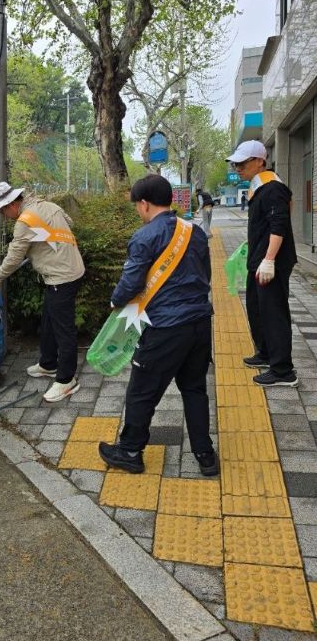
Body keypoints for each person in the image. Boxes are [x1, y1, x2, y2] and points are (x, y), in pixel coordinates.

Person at [98, 174, 218, 477]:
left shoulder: (144, 237)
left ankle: (129, 452)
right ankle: (205, 456)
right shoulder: (196, 232)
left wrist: (115, 301)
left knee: (141, 392)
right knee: (194, 389)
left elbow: (131, 282)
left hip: (165, 328)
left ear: (144, 203)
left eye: (137, 207)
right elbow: (206, 275)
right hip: (200, 322)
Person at [0, 182, 85, 403]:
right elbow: (68, 224)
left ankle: (67, 379)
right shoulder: (48, 206)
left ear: (12, 204)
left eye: (3, 210)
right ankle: (48, 364)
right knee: (49, 319)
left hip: (62, 276)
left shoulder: (24, 221)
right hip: (67, 269)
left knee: (63, 330)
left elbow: (13, 257)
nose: (4, 215)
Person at [227, 140, 298, 386]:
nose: (237, 168)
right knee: (258, 309)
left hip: (271, 263)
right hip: (259, 259)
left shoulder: (273, 188)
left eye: (242, 163)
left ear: (260, 161)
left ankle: (283, 371)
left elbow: (279, 225)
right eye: (235, 164)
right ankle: (266, 354)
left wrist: (269, 259)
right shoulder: (259, 188)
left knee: (273, 313)